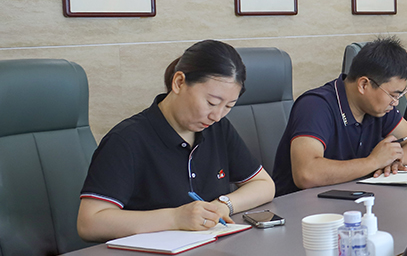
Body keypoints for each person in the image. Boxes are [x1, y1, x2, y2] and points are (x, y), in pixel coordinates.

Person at [77, 40, 276, 242]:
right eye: (211, 103)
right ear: (179, 82)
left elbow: (264, 184)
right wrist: (175, 218)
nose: (217, 116)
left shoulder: (218, 129)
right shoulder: (127, 139)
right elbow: (90, 223)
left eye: (228, 106)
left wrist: (222, 205)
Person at [272, 37, 407, 195]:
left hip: (354, 197)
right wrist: (373, 162)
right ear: (364, 85)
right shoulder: (315, 106)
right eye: (393, 95)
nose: (395, 102)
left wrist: (394, 161)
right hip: (301, 205)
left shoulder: (379, 108)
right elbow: (306, 174)